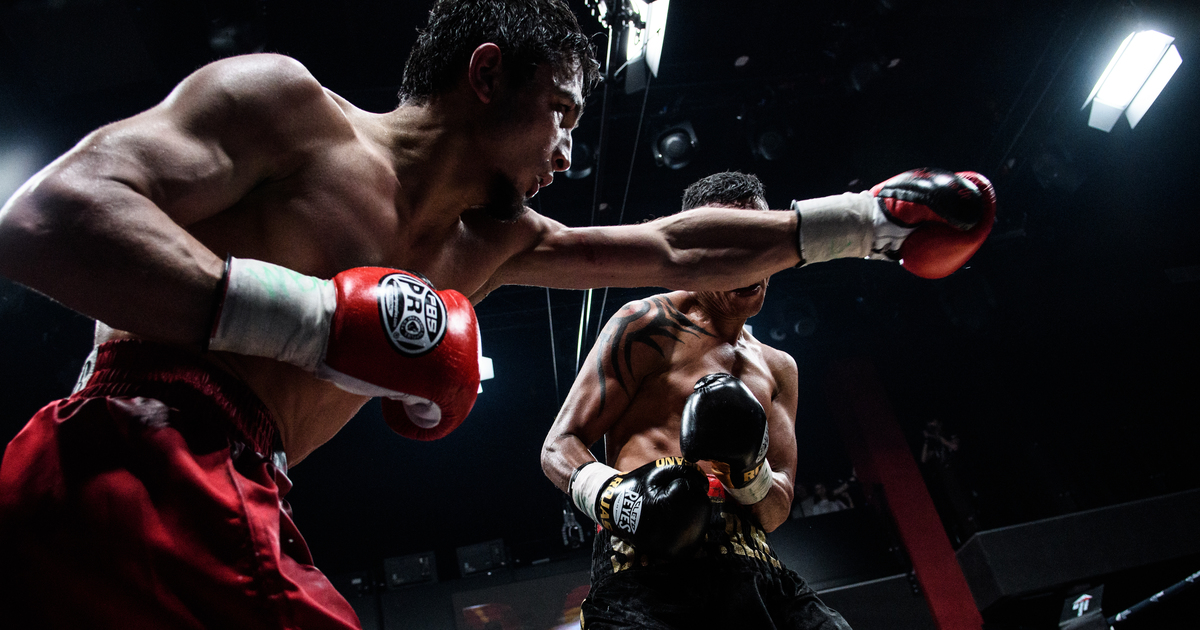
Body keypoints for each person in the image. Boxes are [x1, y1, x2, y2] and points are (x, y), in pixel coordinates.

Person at [0, 0, 994, 625]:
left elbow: (673, 247)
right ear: (487, 75)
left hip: (244, 486)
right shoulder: (287, 109)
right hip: (134, 454)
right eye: (561, 111)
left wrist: (862, 221)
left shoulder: (493, 244)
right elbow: (45, 220)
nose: (571, 151)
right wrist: (312, 319)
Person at [541, 172, 853, 629]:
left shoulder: (779, 367)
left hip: (755, 570)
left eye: (758, 244)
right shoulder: (647, 326)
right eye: (731, 248)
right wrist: (624, 502)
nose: (750, 263)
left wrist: (749, 472)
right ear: (698, 256)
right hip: (646, 575)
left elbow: (777, 506)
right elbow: (558, 447)